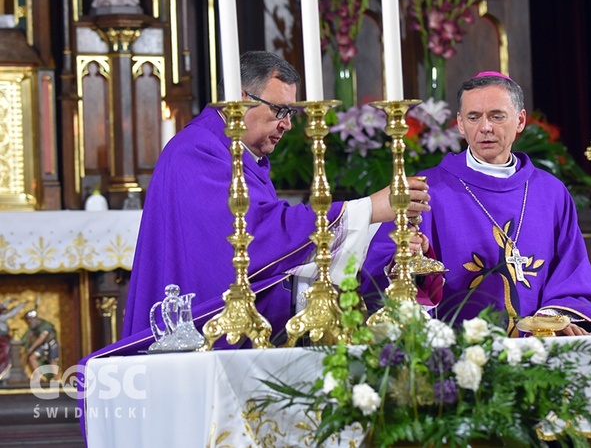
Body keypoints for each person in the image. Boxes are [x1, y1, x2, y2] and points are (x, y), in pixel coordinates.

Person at [102, 50, 428, 354]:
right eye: (279, 110)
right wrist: (369, 208)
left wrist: (390, 245)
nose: (286, 124)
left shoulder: (237, 154)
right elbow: (257, 238)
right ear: (241, 99)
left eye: (291, 113)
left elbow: (279, 247)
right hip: (207, 336)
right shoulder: (199, 151)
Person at [362, 71, 591, 336]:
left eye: (496, 116)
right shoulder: (425, 190)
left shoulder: (551, 193)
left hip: (539, 354)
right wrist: (411, 259)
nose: (485, 127)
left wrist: (552, 322)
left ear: (520, 120)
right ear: (460, 124)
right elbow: (380, 275)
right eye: (473, 117)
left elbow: (573, 278)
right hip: (455, 358)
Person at [21, 310, 60, 381]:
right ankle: (38, 376)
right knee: (32, 358)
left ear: (32, 319)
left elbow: (42, 337)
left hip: (51, 344)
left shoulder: (44, 324)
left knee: (53, 361)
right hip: (43, 345)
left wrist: (31, 348)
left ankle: (56, 379)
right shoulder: (34, 327)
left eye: (29, 319)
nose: (28, 322)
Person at [0, 299, 26, 382]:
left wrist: (9, 302)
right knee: (4, 358)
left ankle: (4, 377)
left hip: (4, 340)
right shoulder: (2, 318)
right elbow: (12, 313)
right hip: (2, 342)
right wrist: (21, 305)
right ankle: (3, 377)